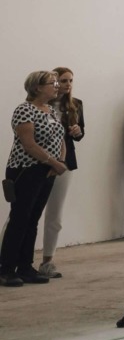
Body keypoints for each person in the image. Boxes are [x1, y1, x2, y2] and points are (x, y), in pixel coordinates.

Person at [2, 71, 69, 286]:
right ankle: (6, 269)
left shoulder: (51, 110)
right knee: (20, 219)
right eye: (52, 83)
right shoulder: (25, 110)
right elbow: (29, 144)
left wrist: (60, 162)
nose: (56, 86)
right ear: (37, 87)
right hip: (26, 169)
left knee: (33, 219)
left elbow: (61, 138)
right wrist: (53, 162)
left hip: (47, 170)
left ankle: (25, 267)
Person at [34, 67, 83, 277]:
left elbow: (79, 135)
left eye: (70, 80)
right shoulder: (39, 105)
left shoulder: (76, 105)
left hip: (64, 164)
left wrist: (77, 131)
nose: (67, 84)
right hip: (38, 162)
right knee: (23, 211)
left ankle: (48, 261)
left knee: (55, 214)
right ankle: (7, 258)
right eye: (63, 81)